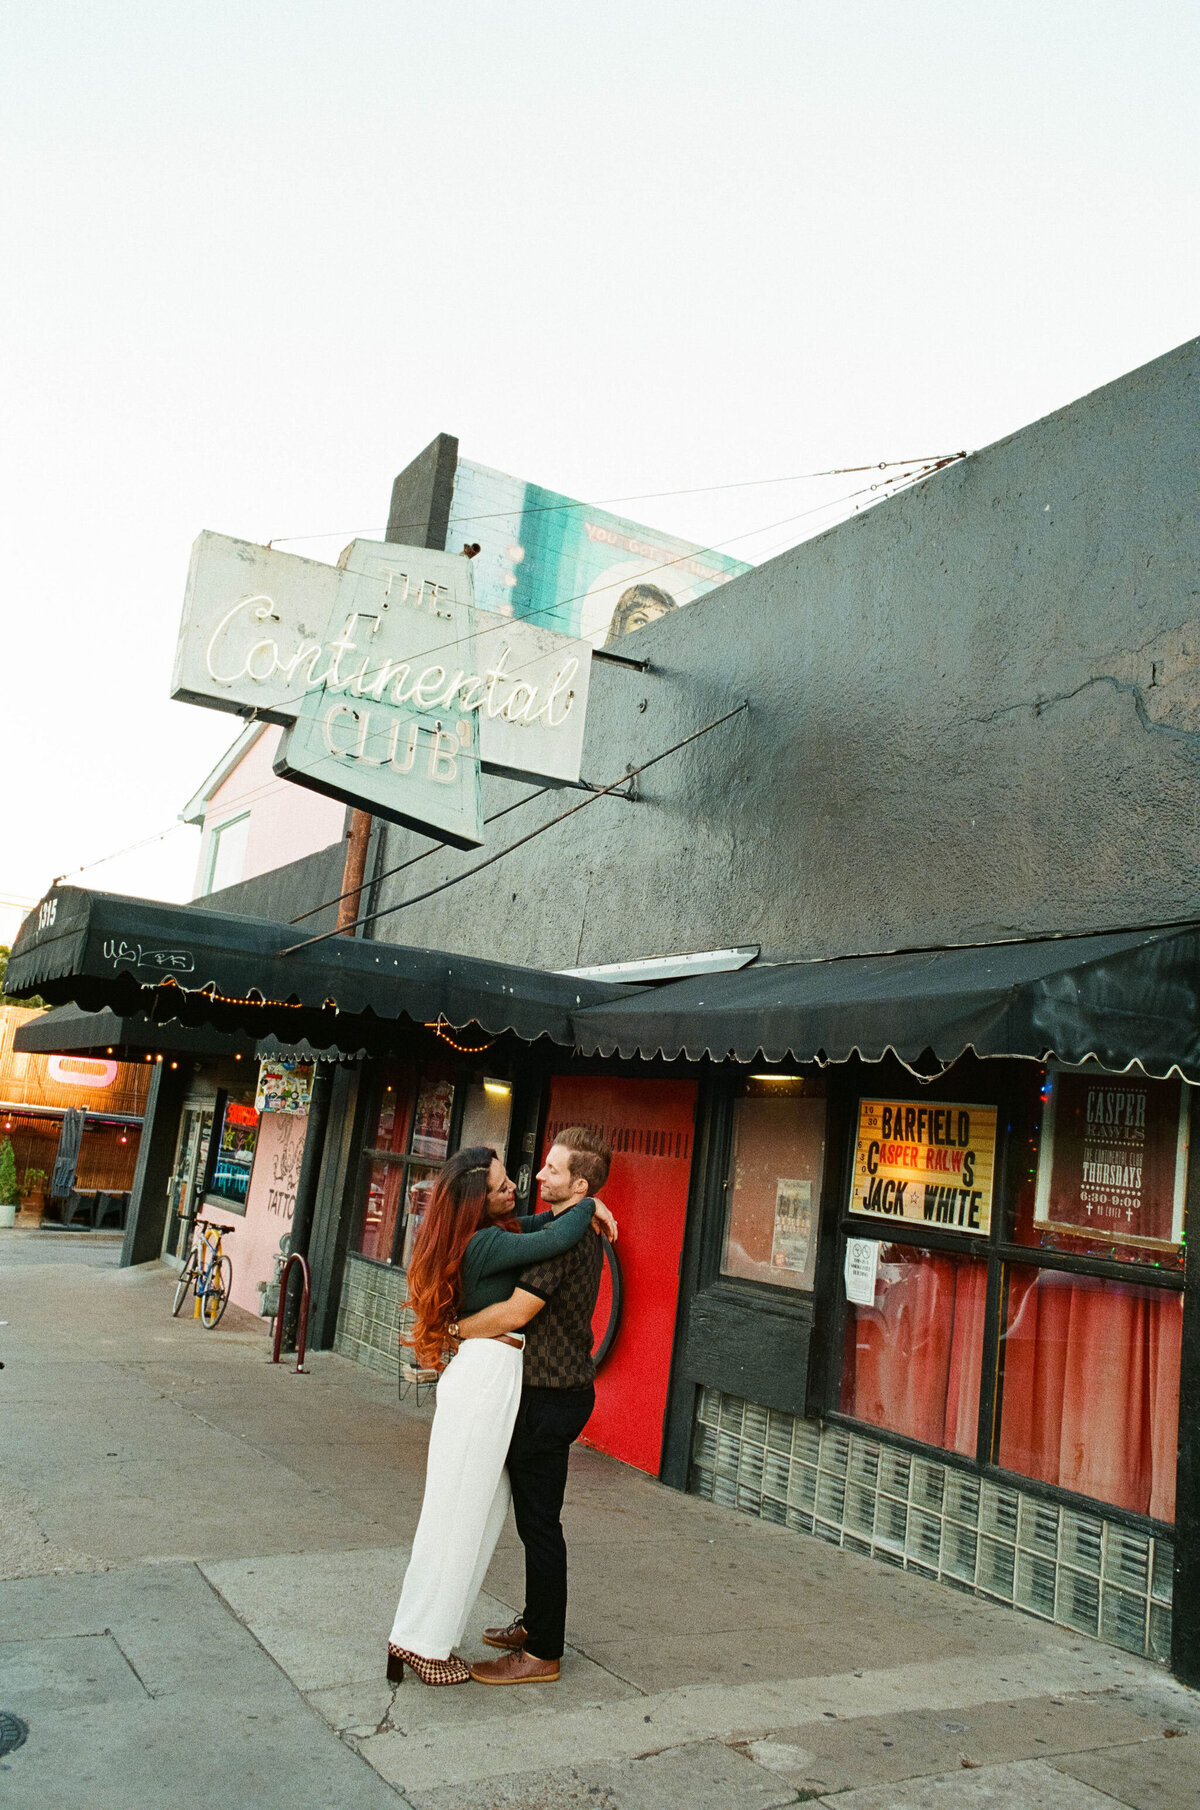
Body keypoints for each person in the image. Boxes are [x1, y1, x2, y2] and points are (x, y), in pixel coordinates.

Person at [386, 1143, 614, 1686]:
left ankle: (521, 1637)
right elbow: (530, 1276)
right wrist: (590, 1205)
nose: (525, 1180)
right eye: (501, 1184)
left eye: (548, 1169)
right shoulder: (488, 1241)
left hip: (511, 1384)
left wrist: (589, 1206)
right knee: (463, 1514)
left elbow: (541, 1226)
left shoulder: (504, 1232)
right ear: (478, 1203)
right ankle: (424, 1643)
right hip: (489, 1379)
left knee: (491, 1516)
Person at [456, 1125, 613, 1685]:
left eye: (552, 1168)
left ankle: (543, 1650)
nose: (539, 1175)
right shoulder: (570, 1224)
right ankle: (537, 1622)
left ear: (580, 1182)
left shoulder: (566, 1239)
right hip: (556, 1392)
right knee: (534, 1522)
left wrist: (454, 1332)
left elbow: (514, 1314)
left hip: (549, 1398)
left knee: (541, 1526)